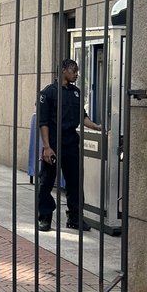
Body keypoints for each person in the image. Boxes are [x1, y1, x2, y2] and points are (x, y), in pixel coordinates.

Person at [36, 59, 103, 233]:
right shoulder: (48, 93)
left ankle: (74, 218)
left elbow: (82, 116)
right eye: (74, 71)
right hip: (53, 144)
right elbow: (43, 123)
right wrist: (46, 147)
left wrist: (95, 127)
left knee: (75, 183)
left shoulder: (76, 93)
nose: (76, 74)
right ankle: (45, 218)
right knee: (46, 182)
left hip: (71, 143)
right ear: (63, 70)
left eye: (77, 71)